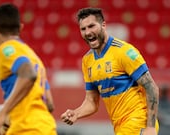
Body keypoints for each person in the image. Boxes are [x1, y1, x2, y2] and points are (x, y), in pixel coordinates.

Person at [61, 7, 159, 135]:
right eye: (83, 29)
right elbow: (91, 101)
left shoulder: (124, 51)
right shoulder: (87, 61)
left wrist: (150, 127)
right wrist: (76, 113)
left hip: (138, 121)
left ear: (103, 25)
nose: (87, 32)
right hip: (120, 126)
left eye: (91, 26)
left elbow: (151, 87)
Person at [0, 3, 57, 135]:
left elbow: (28, 74)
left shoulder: (8, 48)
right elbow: (49, 104)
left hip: (26, 129)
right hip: (46, 128)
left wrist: (2, 113)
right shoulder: (35, 58)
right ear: (21, 28)